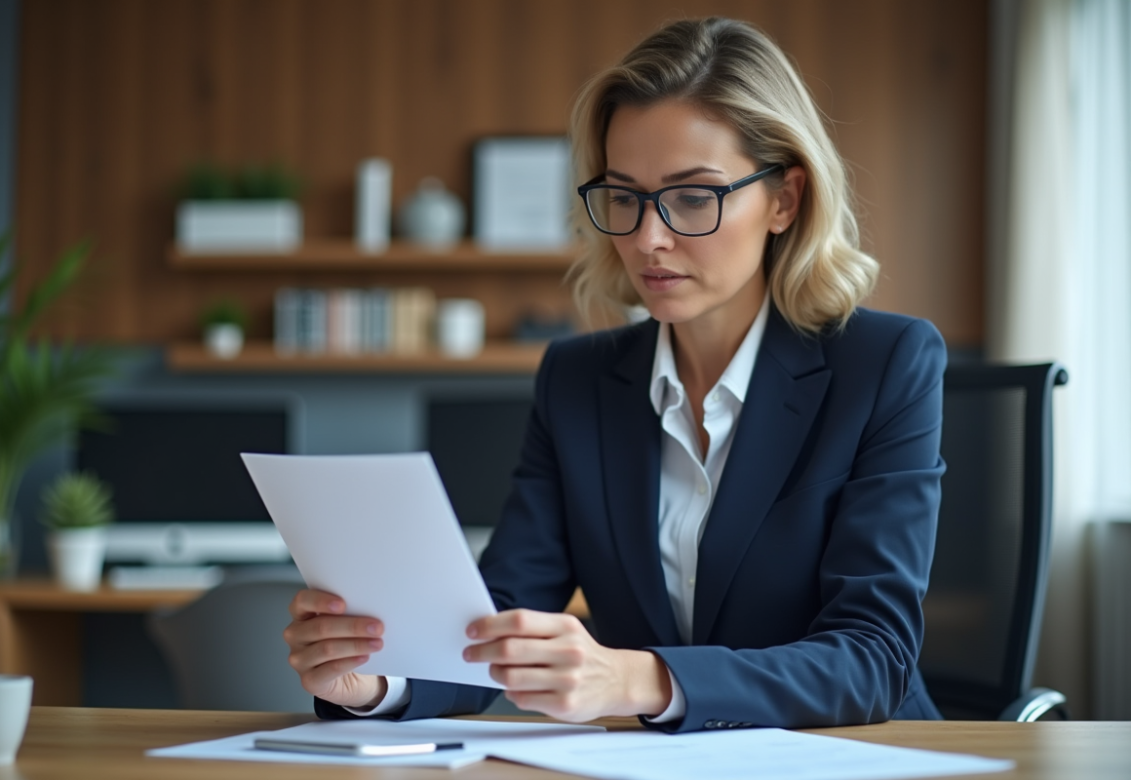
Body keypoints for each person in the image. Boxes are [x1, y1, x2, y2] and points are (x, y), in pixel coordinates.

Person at [283, 16, 946, 732]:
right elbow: (499, 614)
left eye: (694, 197)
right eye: (624, 197)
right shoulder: (577, 379)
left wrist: (644, 679)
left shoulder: (886, 364)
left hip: (859, 758)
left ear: (783, 200)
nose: (647, 237)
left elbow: (874, 657)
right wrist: (380, 680)